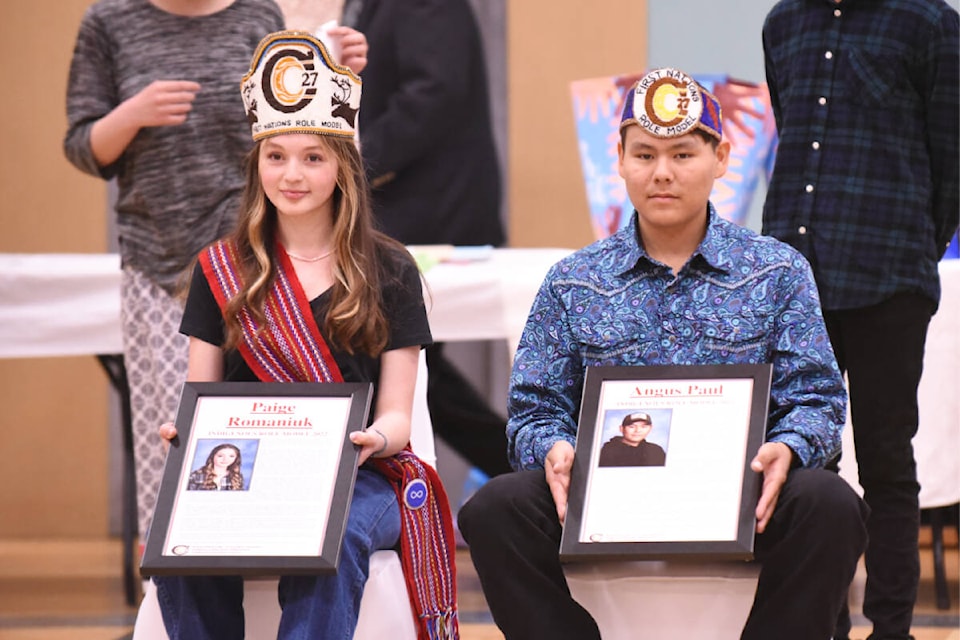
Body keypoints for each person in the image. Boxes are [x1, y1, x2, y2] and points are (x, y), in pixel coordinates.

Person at [457, 67, 869, 640]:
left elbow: (818, 399)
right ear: (619, 160)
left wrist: (788, 448)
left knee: (831, 503)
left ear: (720, 156)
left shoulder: (777, 271)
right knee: (494, 509)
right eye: (645, 155)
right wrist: (551, 448)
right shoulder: (574, 280)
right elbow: (534, 407)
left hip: (742, 496)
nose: (663, 174)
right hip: (606, 493)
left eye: (683, 154)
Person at [151, 31, 458, 639]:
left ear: (343, 167)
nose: (292, 174)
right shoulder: (219, 268)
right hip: (248, 472)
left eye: (313, 157)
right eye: (276, 156)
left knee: (331, 533)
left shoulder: (389, 268)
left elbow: (398, 412)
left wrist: (375, 437)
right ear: (256, 164)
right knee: (181, 542)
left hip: (357, 476)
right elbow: (199, 396)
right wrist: (185, 434)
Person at [62, 0, 369, 540]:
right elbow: (82, 147)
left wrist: (335, 67)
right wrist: (131, 113)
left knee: (272, 422)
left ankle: (273, 569)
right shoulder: (109, 21)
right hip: (159, 259)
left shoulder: (256, 15)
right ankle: (174, 588)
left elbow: (291, 122)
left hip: (253, 264)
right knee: (175, 436)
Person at [761, 3, 959, 638]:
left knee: (886, 463)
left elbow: (952, 159)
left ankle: (892, 628)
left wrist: (911, 247)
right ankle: (822, 624)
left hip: (888, 278)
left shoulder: (929, 22)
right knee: (802, 463)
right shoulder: (783, 22)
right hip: (793, 279)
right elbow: (790, 128)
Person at [341, 0, 513, 477]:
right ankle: (518, 470)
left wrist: (352, 163)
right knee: (412, 368)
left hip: (434, 216)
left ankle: (520, 471)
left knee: (405, 363)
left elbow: (433, 93)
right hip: (417, 212)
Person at [597, 412, 666, 468]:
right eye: (631, 427)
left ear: (650, 428)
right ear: (621, 429)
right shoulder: (608, 452)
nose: (638, 430)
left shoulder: (656, 450)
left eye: (643, 427)